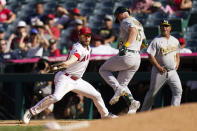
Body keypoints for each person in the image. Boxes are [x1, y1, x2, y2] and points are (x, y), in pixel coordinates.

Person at [22, 27, 117, 124]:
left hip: (77, 80)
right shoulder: (78, 47)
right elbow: (71, 60)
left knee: (96, 95)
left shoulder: (89, 48)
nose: (87, 38)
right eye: (84, 36)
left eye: (89, 36)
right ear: (79, 36)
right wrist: (64, 64)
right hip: (66, 78)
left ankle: (105, 115)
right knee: (56, 97)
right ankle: (31, 111)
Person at [99, 7, 146, 114]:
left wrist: (126, 46)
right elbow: (145, 43)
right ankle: (132, 103)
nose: (118, 20)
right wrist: (135, 49)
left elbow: (133, 32)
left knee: (103, 69)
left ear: (120, 14)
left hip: (127, 54)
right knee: (122, 84)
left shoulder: (126, 20)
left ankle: (118, 89)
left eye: (117, 17)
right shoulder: (138, 23)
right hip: (137, 57)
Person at [141, 20, 183, 111]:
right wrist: (158, 67)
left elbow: (177, 53)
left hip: (172, 71)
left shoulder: (175, 40)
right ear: (160, 28)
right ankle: (144, 112)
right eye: (162, 26)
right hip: (159, 71)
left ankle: (174, 111)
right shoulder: (156, 40)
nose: (164, 28)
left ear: (170, 28)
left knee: (178, 91)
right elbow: (150, 55)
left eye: (166, 26)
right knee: (152, 93)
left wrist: (177, 63)